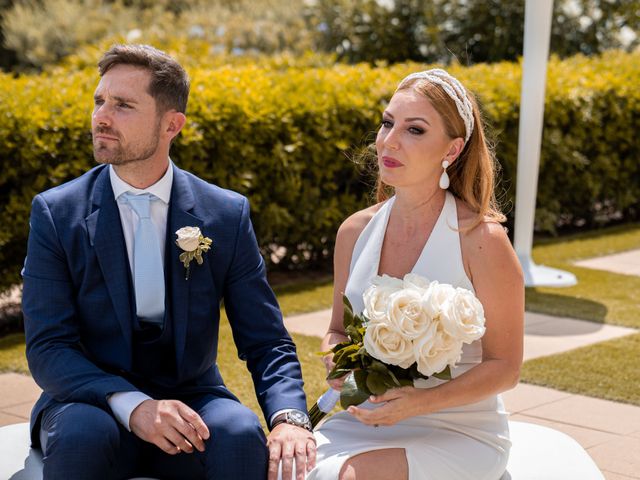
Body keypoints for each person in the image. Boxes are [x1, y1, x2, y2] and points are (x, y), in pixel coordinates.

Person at [21, 44, 315, 480]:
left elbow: (265, 339)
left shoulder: (224, 214)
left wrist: (290, 418)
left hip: (192, 396)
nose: (101, 116)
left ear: (170, 124)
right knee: (84, 435)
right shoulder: (56, 212)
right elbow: (48, 346)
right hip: (89, 402)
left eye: (123, 105)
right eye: (99, 101)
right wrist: (134, 405)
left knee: (237, 433)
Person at [309, 69, 524, 480]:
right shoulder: (354, 231)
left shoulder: (483, 241)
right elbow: (336, 330)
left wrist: (419, 403)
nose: (389, 141)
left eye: (415, 130)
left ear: (453, 149)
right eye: (388, 122)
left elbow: (505, 366)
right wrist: (339, 364)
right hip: (366, 419)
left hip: (459, 429)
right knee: (281, 464)